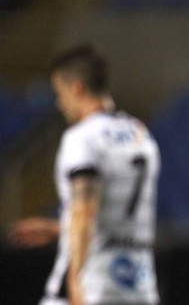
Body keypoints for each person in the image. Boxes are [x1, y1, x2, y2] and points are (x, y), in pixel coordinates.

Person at [10, 45, 160, 305]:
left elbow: (84, 210)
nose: (59, 103)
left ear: (77, 88)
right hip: (138, 287)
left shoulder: (82, 138)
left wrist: (75, 282)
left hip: (93, 284)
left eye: (60, 93)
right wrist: (58, 228)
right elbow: (120, 216)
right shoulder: (141, 135)